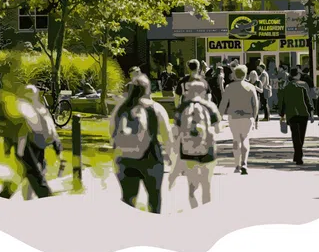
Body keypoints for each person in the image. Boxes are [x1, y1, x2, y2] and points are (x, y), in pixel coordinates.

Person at [110, 73, 174, 214]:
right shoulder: (156, 109)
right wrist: (171, 157)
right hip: (151, 158)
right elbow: (167, 137)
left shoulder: (121, 108)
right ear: (148, 90)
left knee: (128, 200)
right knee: (154, 198)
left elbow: (112, 133)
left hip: (125, 160)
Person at [0, 85, 66, 199]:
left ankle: (7, 197)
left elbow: (50, 129)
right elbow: (13, 130)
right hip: (26, 147)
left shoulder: (36, 108)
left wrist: (58, 148)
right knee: (36, 178)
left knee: (26, 176)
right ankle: (45, 199)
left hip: (35, 146)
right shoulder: (24, 108)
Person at [170, 74, 222, 209]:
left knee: (192, 188)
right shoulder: (210, 107)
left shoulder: (182, 107)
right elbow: (217, 130)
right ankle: (206, 213)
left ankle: (194, 209)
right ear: (203, 92)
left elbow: (175, 132)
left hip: (188, 151)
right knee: (206, 186)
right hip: (207, 149)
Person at [218, 65, 259, 175]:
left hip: (234, 116)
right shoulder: (251, 87)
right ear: (245, 75)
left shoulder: (229, 87)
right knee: (245, 138)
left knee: (236, 139)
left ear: (235, 75)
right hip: (247, 116)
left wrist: (218, 117)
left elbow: (223, 104)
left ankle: (237, 165)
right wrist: (254, 118)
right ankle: (244, 163)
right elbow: (255, 104)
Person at [278, 68, 315, 165]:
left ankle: (298, 155)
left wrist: (282, 114)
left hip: (291, 114)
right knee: (301, 136)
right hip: (303, 113)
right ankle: (298, 155)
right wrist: (311, 112)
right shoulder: (303, 85)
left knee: (295, 135)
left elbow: (282, 102)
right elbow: (308, 100)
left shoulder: (285, 87)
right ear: (298, 75)